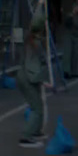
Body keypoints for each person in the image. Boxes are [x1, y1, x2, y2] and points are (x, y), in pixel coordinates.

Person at [17, 18, 52, 147]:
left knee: (39, 105)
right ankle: (26, 137)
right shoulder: (35, 45)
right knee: (36, 108)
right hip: (29, 79)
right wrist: (42, 80)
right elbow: (33, 68)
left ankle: (36, 131)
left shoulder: (29, 41)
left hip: (25, 76)